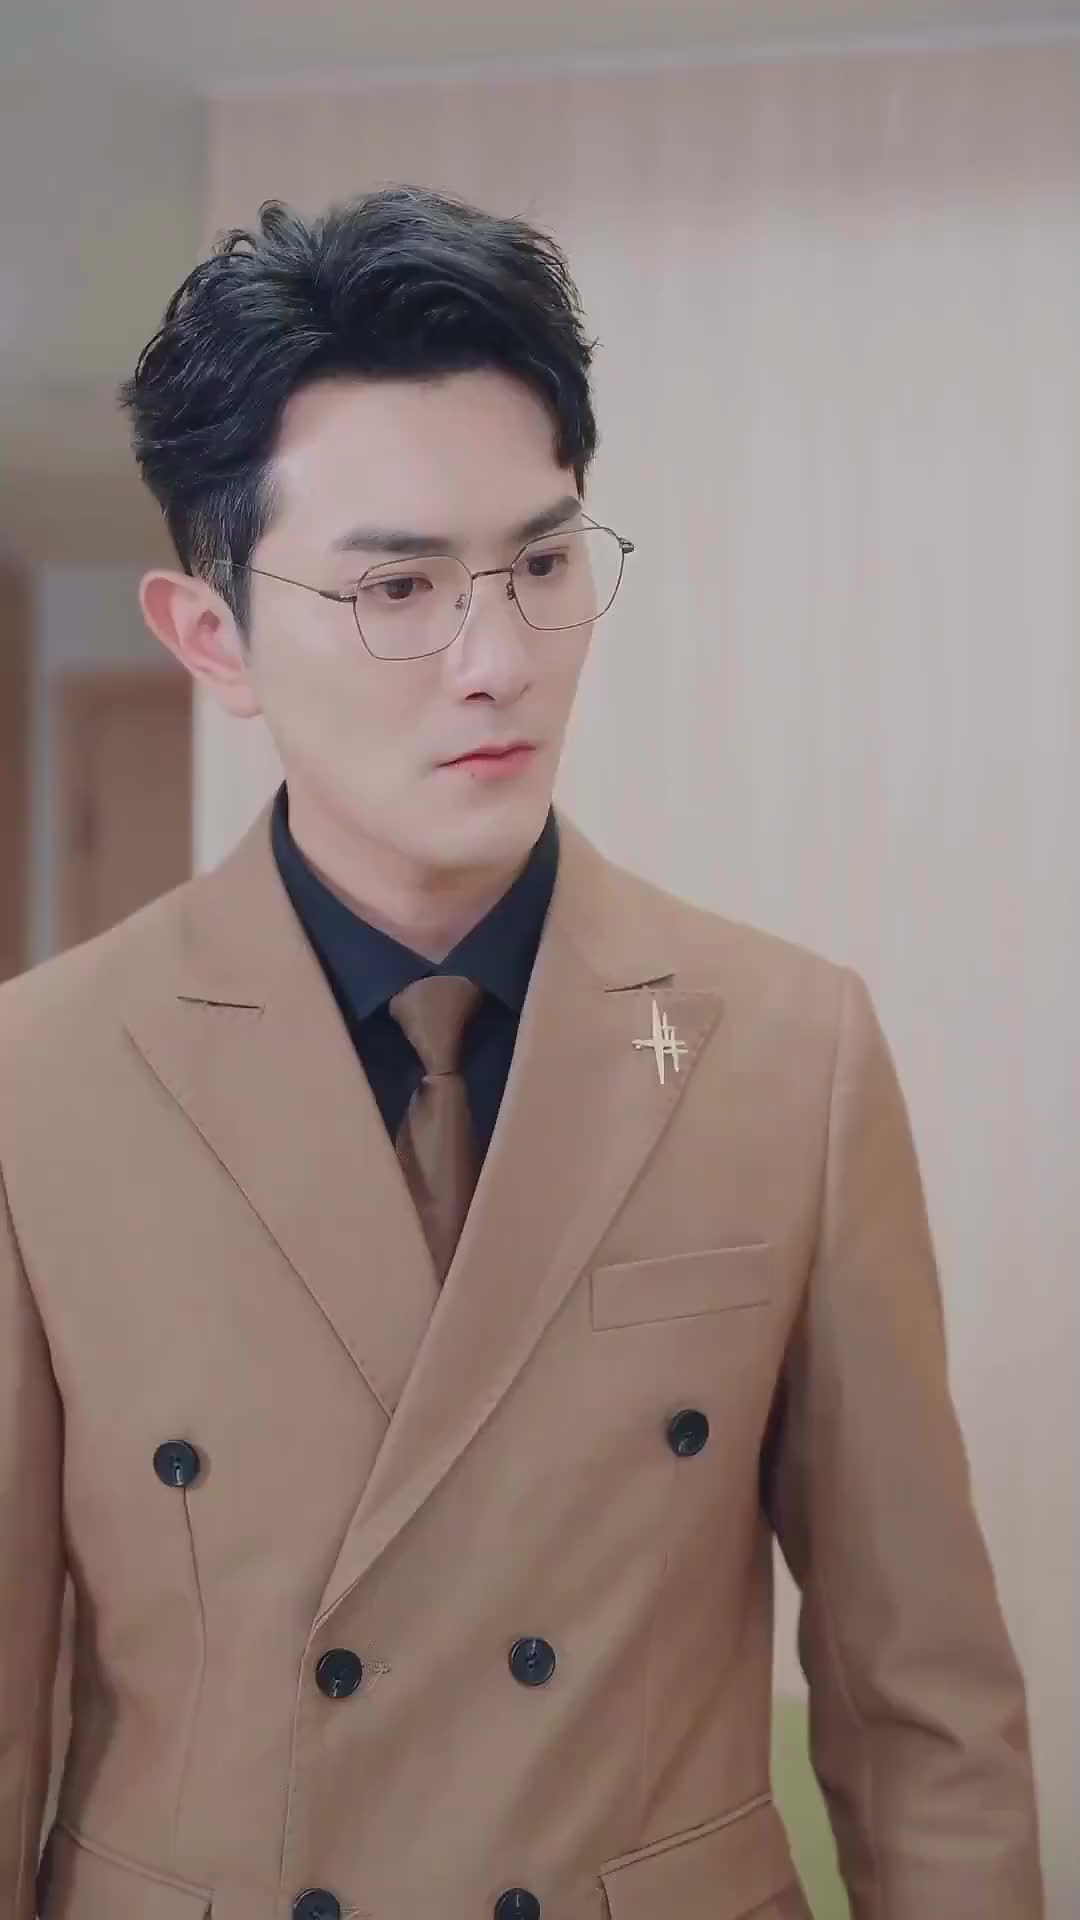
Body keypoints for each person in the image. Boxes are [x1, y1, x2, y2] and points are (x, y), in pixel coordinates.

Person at [0, 187, 1042, 1920]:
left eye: (543, 565)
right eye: (395, 586)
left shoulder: (789, 1053)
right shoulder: (39, 1082)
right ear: (212, 638)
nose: (496, 662)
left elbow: (921, 1709)